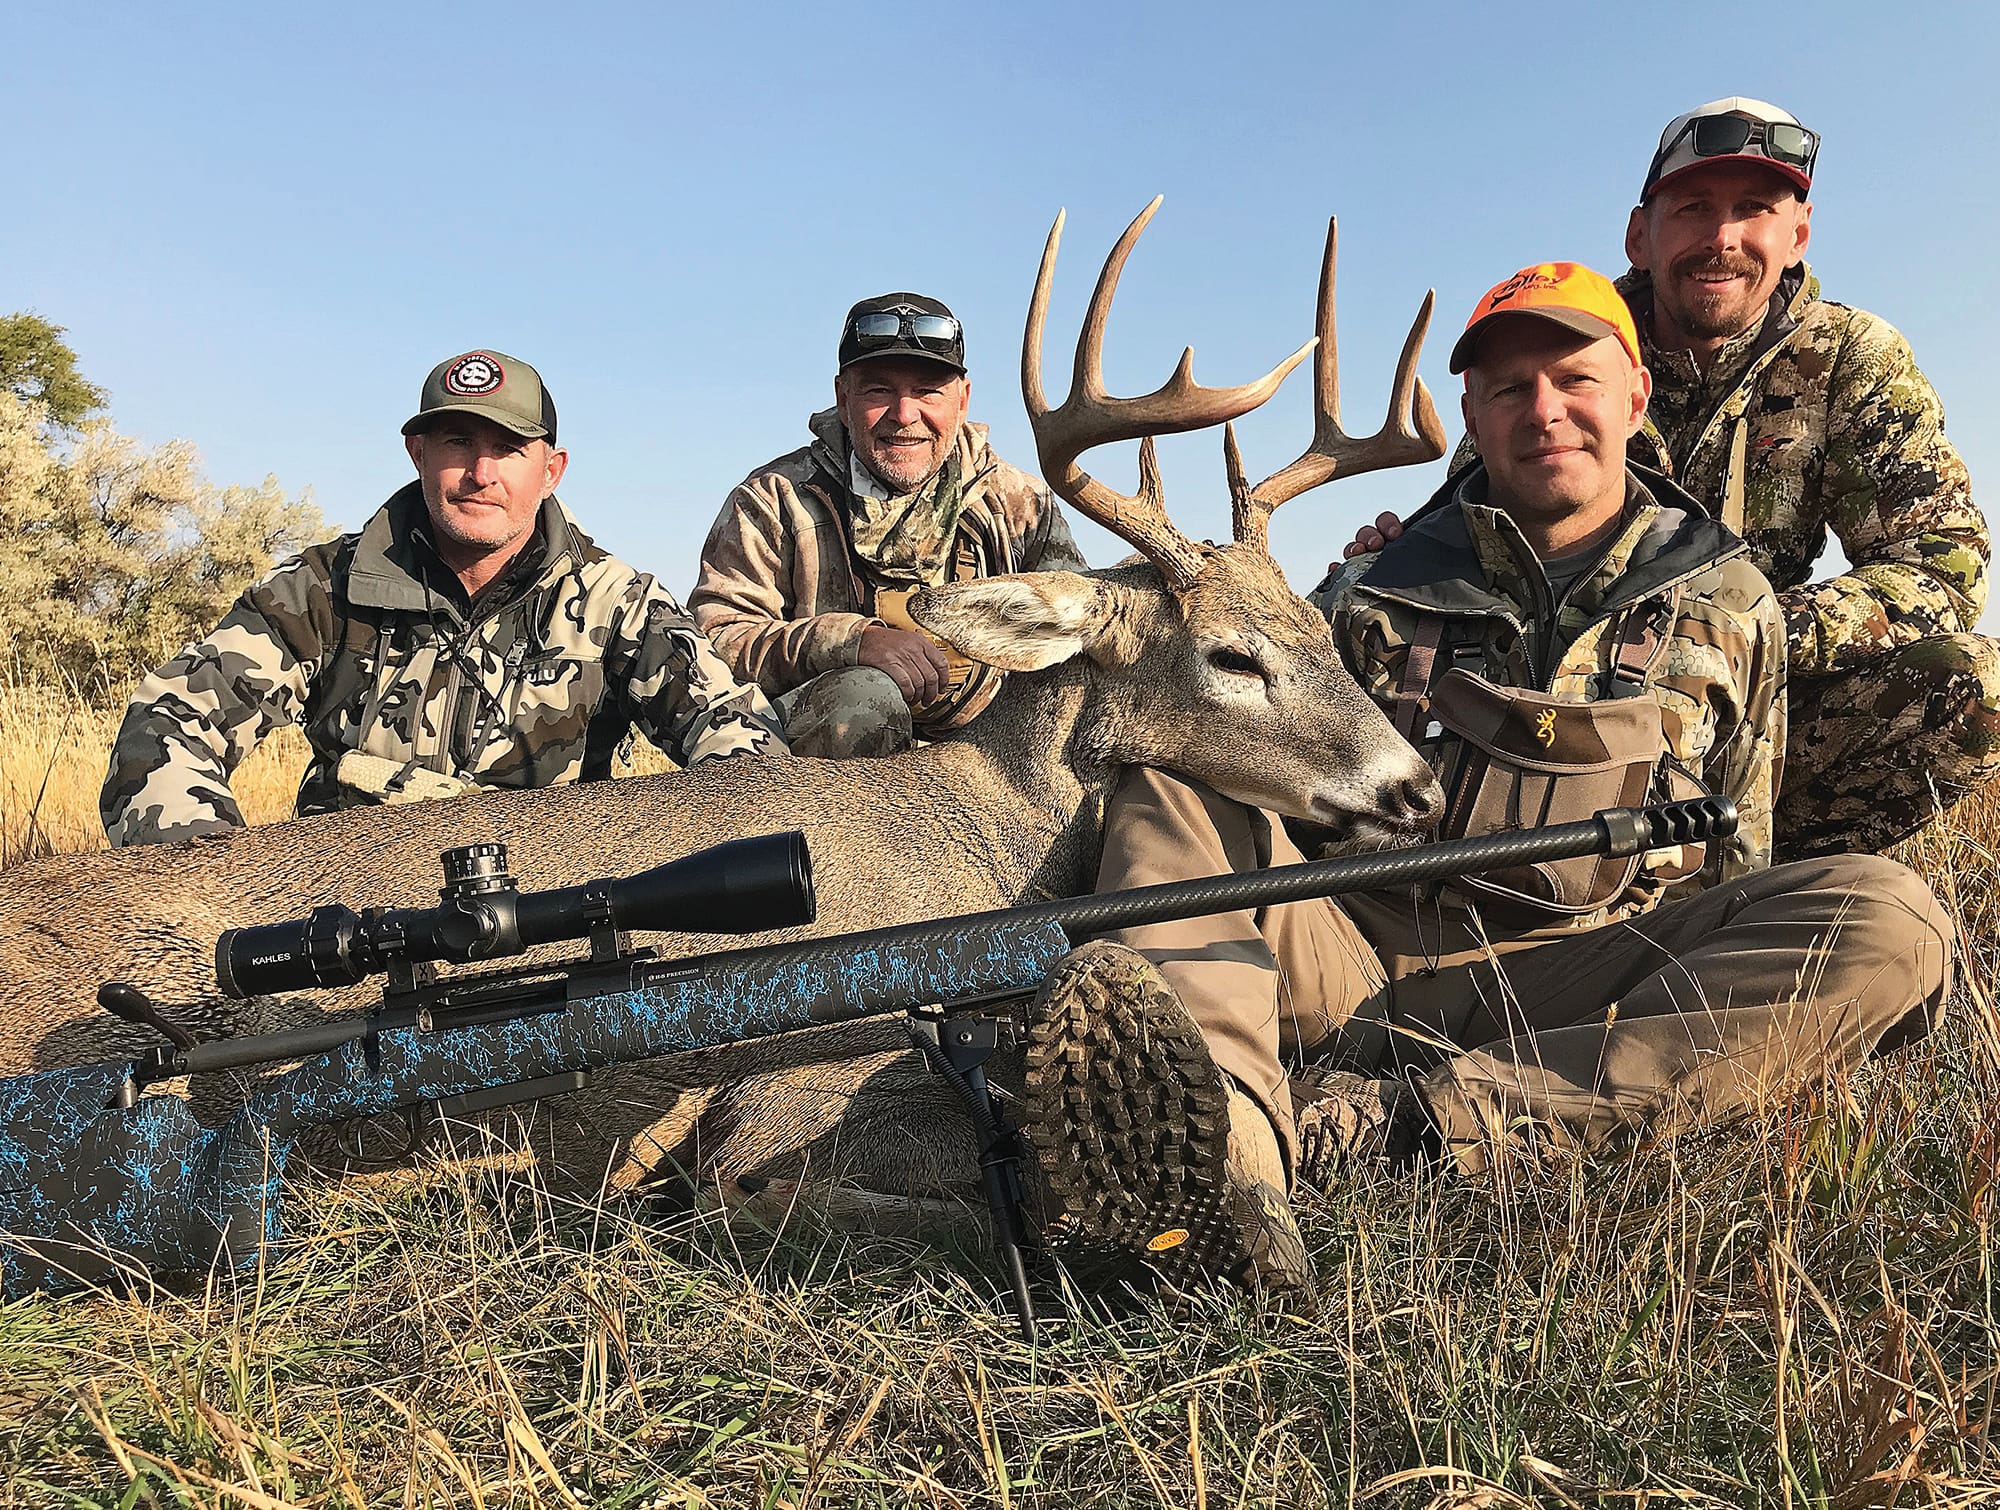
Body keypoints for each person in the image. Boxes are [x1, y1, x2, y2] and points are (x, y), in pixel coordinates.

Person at [1024, 264, 1953, 1300]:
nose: (1542, 410)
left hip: (1574, 978)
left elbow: (1734, 854)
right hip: (1343, 947)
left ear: (1634, 396)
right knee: (1174, 778)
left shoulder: (1730, 603)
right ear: (1471, 413)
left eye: (1573, 379)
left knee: (1886, 914)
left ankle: (1401, 1131)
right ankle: (1224, 1152)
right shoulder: (1371, 583)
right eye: (1508, 389)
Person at [1338, 98, 1996, 860]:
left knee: (1976, 687)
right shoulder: (1564, 338)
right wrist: (1389, 564)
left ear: (1797, 237)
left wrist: (1737, 631)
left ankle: (1765, 884)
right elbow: (1476, 512)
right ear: (1639, 236)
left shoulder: (1854, 357)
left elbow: (1943, 570)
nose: (1722, 238)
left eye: (1753, 209)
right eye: (1692, 210)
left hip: (1750, 691)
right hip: (1573, 688)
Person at [102, 349, 786, 846]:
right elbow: (168, 721)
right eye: (458, 442)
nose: (482, 473)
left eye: (510, 448)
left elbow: (739, 741)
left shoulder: (619, 604)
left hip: (552, 909)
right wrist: (222, 890)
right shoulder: (322, 590)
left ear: (552, 470)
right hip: (352, 909)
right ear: (417, 453)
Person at [689, 293, 1085, 757]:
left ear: (963, 401)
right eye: (878, 390)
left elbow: (1078, 635)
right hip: (828, 754)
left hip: (988, 752)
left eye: (928, 391)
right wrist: (852, 642)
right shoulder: (774, 498)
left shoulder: (1021, 504)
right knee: (863, 700)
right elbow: (715, 642)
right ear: (842, 398)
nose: (904, 414)